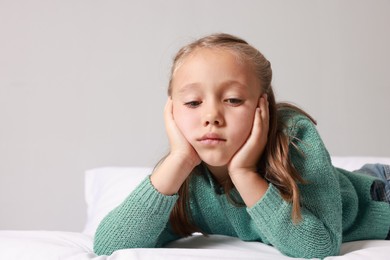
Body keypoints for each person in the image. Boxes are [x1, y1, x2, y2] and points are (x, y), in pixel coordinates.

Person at [93, 33, 390, 258]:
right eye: (193, 102)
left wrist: (244, 173)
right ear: (171, 111)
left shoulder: (294, 137)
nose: (211, 116)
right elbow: (108, 246)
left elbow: (318, 246)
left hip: (380, 192)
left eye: (233, 100)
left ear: (264, 108)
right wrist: (180, 158)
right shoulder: (185, 177)